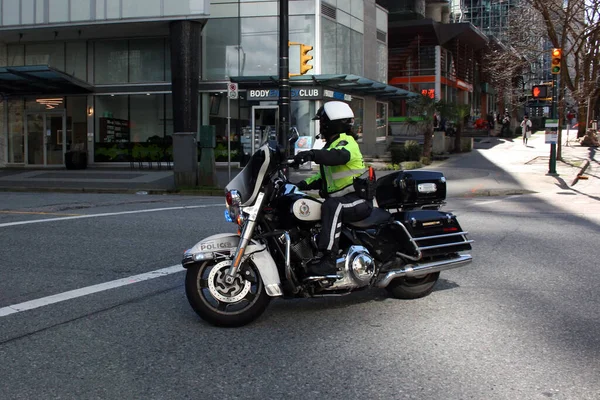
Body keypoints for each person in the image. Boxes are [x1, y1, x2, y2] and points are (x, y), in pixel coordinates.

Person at [294, 101, 373, 277]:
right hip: (347, 201)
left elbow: (338, 156)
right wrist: (298, 186)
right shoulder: (331, 145)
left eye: (322, 122)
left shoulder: (347, 142)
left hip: (358, 200)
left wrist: (312, 154)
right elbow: (322, 177)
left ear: (333, 123)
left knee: (331, 206)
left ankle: (328, 260)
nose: (321, 126)